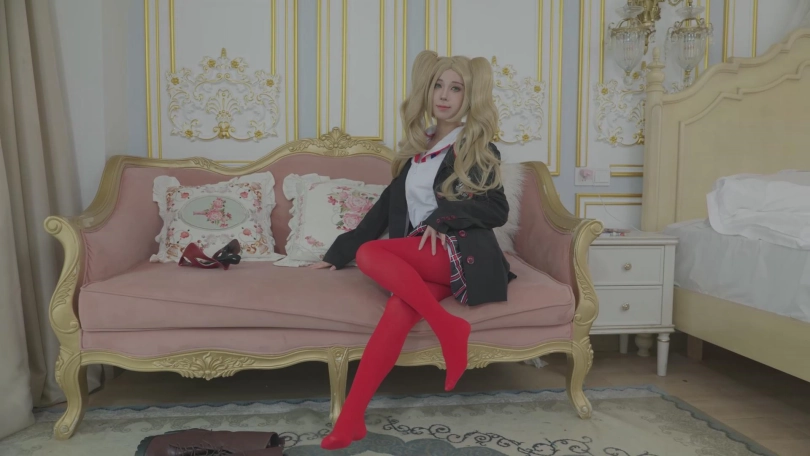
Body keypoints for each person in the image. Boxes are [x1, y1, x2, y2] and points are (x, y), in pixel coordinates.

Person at [309, 49, 516, 450]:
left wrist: (442, 218)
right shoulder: (420, 150)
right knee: (397, 309)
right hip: (424, 260)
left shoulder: (476, 147)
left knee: (372, 254)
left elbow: (497, 209)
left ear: (469, 97)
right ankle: (351, 421)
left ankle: (447, 327)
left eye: (456, 88)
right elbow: (383, 209)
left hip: (460, 254)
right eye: (438, 86)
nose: (444, 95)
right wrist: (335, 255)